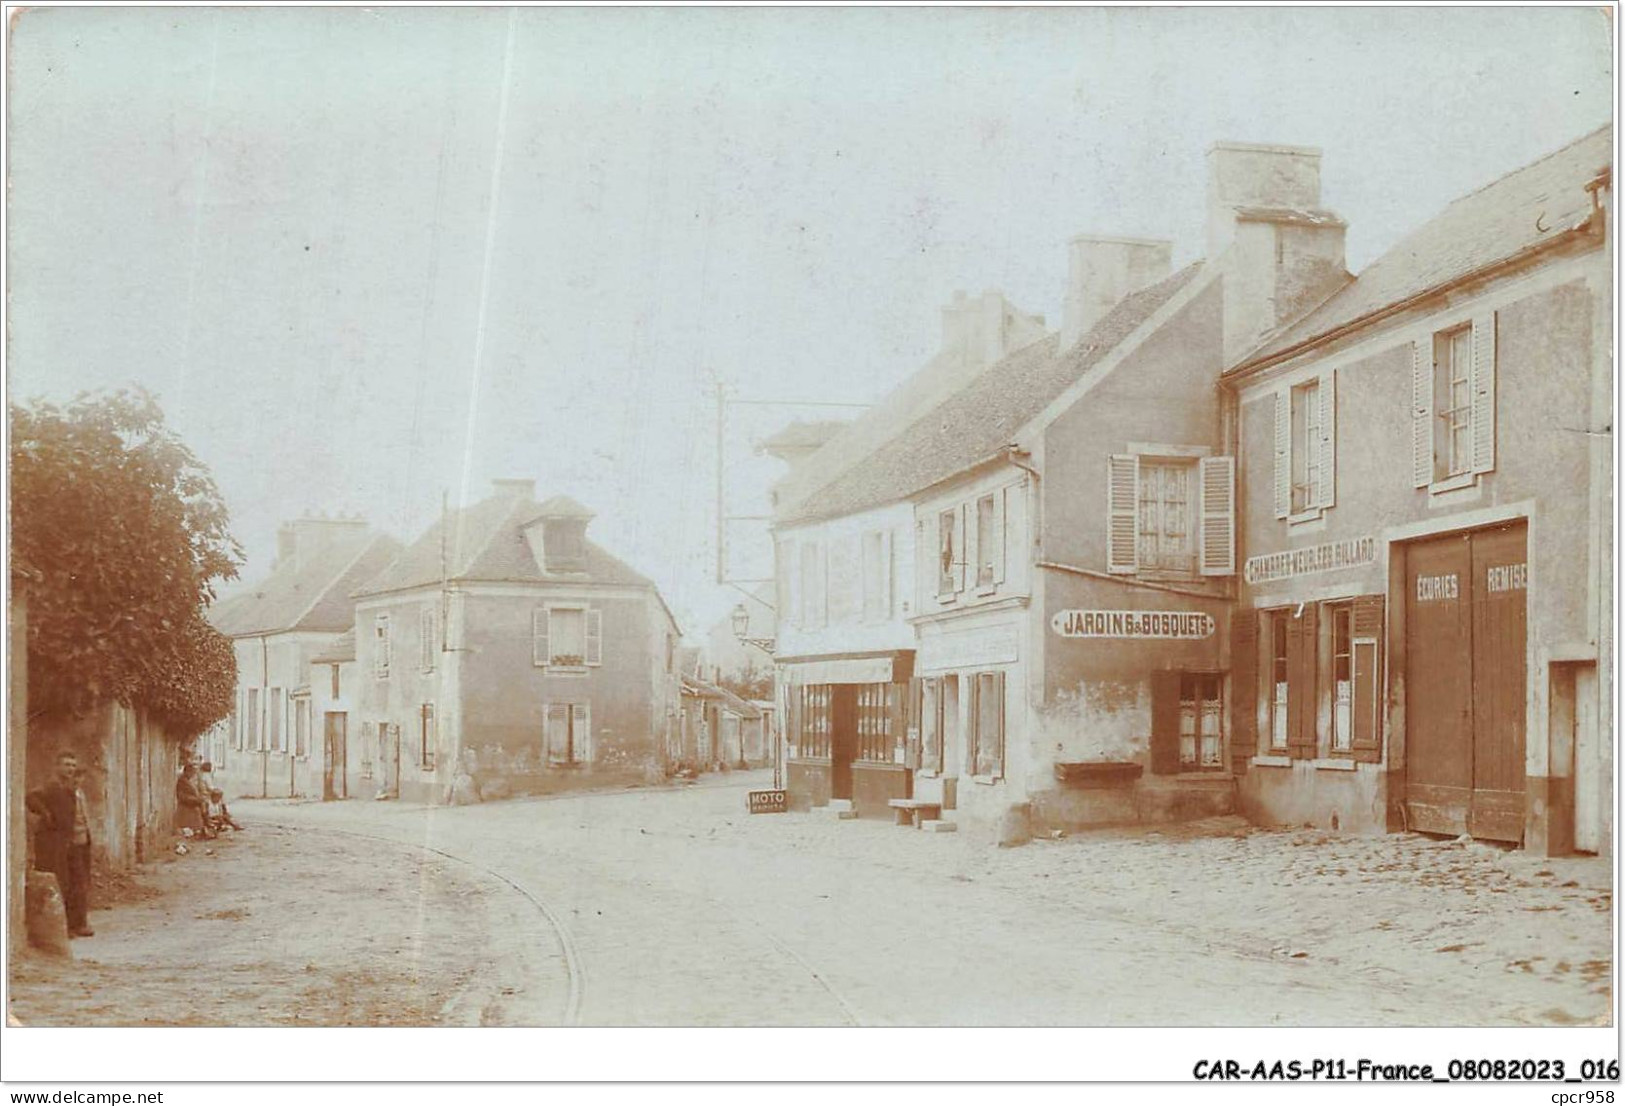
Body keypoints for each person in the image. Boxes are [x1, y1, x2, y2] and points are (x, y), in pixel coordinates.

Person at [25, 750, 95, 938]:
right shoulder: (51, 786)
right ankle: (62, 928)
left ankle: (77, 924)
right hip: (57, 843)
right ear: (57, 767)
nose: (70, 769)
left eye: (73, 765)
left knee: (77, 883)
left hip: (76, 843)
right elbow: (31, 798)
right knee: (62, 882)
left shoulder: (72, 788)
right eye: (66, 765)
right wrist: (46, 815)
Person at [176, 761, 208, 837]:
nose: (193, 775)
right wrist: (195, 799)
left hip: (193, 803)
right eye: (192, 772)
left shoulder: (190, 780)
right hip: (186, 805)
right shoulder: (182, 781)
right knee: (195, 815)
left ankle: (203, 828)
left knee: (202, 809)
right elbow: (181, 795)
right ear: (187, 772)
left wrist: (199, 798)